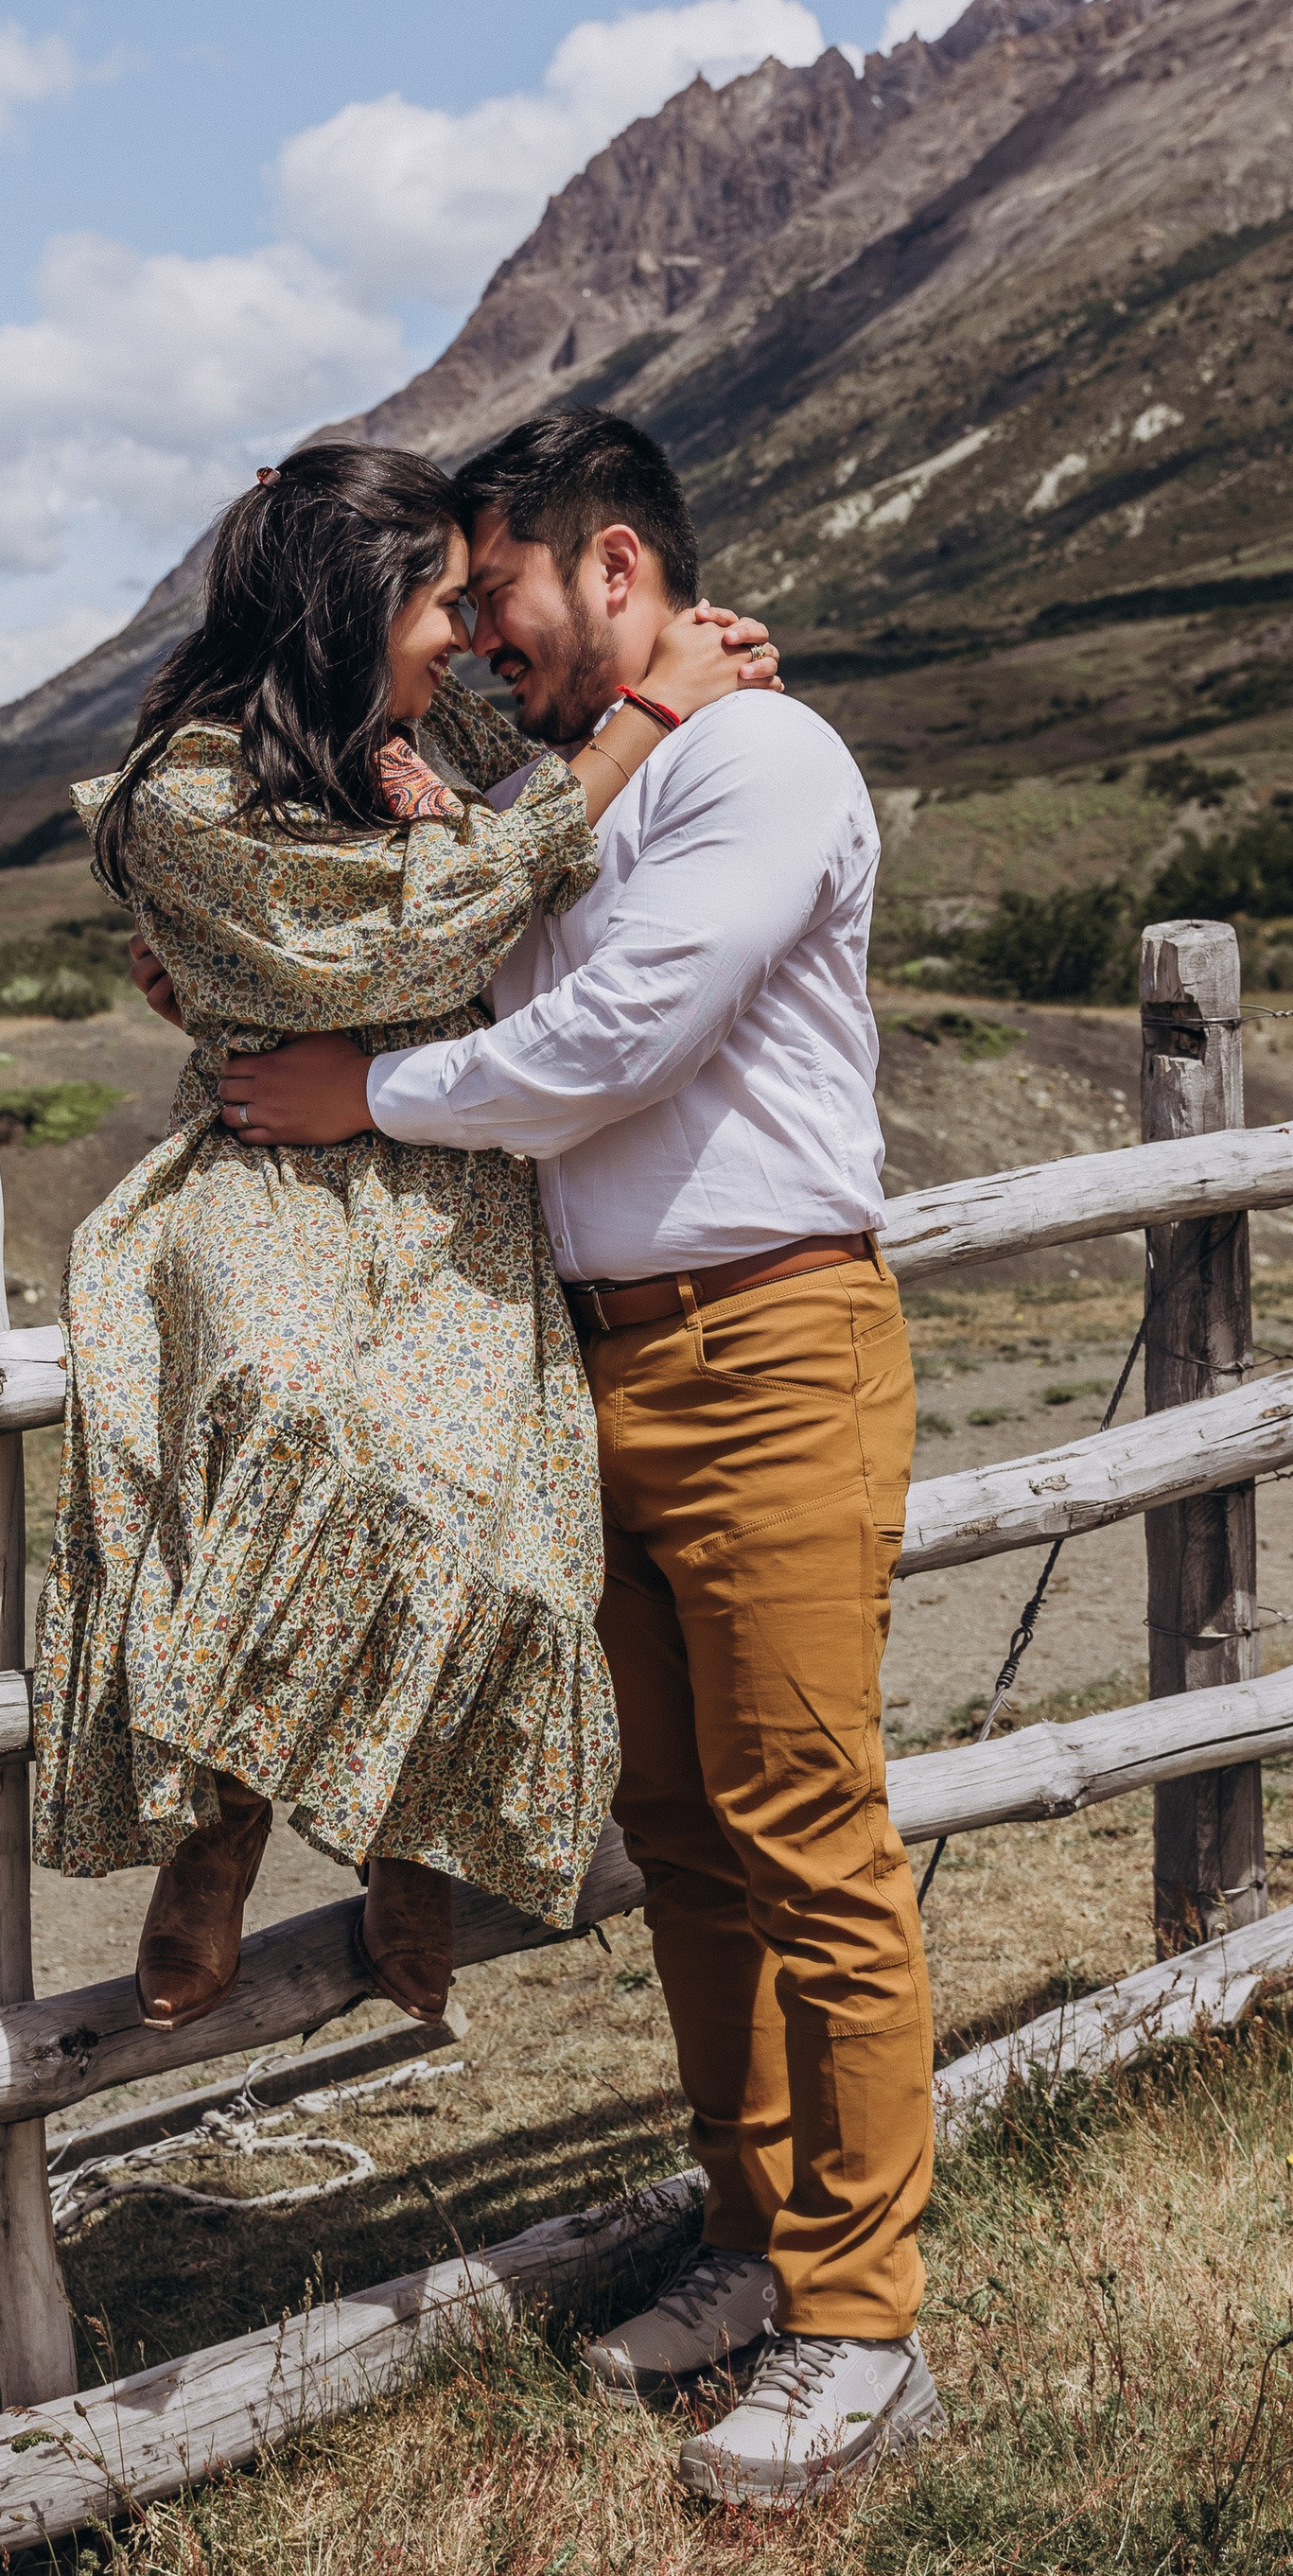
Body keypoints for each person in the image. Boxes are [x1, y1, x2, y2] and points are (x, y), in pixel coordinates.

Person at [213, 412, 939, 2510]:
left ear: (607, 566)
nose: (478, 642)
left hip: (767, 1347)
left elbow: (612, 1043)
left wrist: (367, 1097)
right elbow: (486, 933)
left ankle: (866, 2328)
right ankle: (754, 2244)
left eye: (496, 594)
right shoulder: (600, 778)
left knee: (807, 1829)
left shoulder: (759, 766)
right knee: (687, 1838)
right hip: (609, 1363)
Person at [38, 442, 775, 2042]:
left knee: (485, 1493)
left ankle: (407, 1835)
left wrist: (670, 673)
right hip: (280, 1157)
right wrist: (664, 716)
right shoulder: (186, 791)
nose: (461, 636)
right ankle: (217, 1829)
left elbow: (522, 822)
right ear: (349, 603)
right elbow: (421, 926)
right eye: (442, 602)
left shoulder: (423, 734)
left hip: (440, 1157)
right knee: (292, 1420)